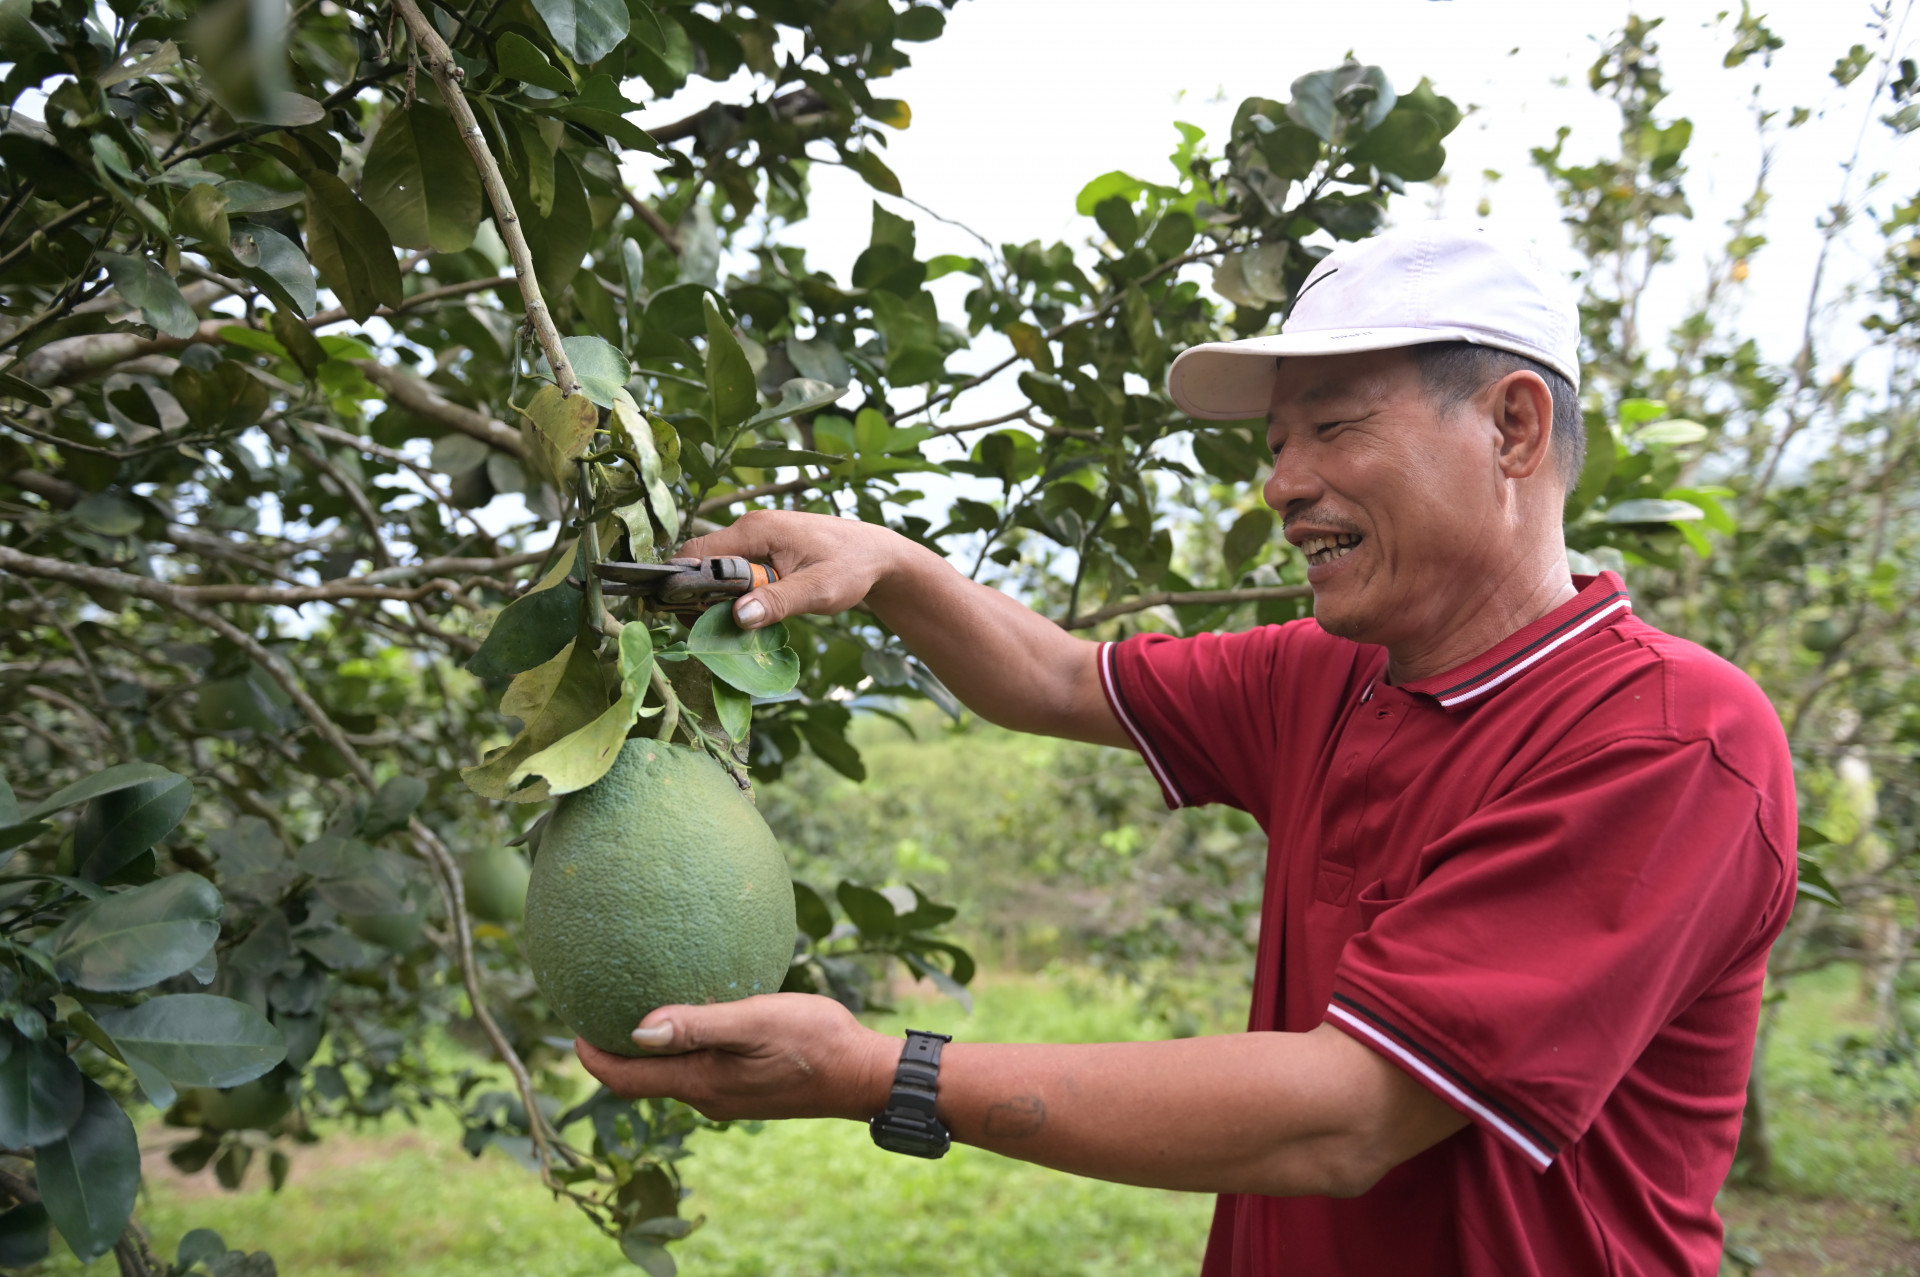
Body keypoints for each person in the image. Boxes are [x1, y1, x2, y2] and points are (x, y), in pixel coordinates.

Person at [574, 221, 1798, 1275]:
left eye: (1333, 427)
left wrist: (882, 1072)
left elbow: (1347, 1115)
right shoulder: (1333, 673)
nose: (1283, 483)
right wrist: (889, 567)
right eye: (1276, 444)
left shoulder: (1671, 738)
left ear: (1514, 428)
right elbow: (1057, 675)